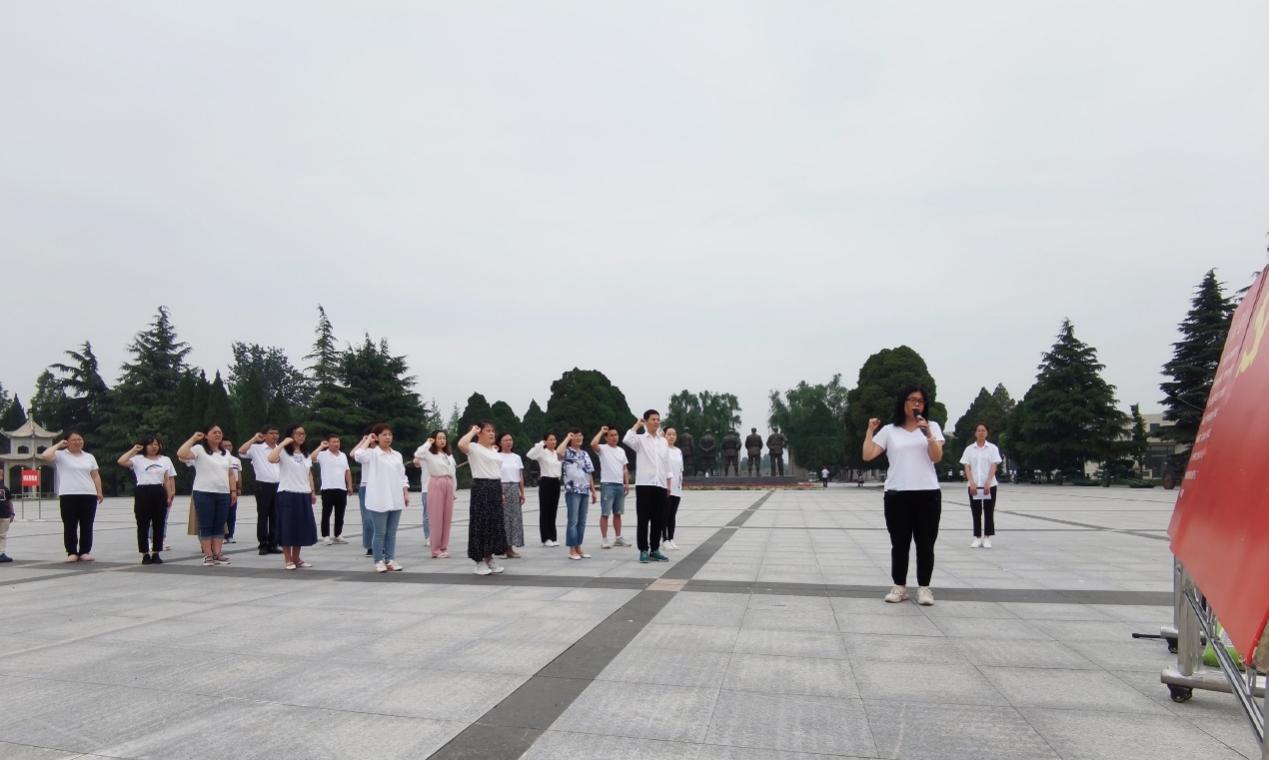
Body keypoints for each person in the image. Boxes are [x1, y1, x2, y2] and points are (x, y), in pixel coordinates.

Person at [863, 386, 945, 606]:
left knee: (925, 544)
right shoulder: (890, 430)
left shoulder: (932, 426)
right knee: (899, 544)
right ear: (903, 402)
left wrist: (928, 435)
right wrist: (870, 430)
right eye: (912, 399)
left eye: (920, 400)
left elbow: (936, 457)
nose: (916, 404)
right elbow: (868, 455)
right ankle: (899, 587)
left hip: (927, 494)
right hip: (897, 494)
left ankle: (924, 588)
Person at [351, 424, 409, 573]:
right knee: (380, 532)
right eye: (384, 434)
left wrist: (405, 492)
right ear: (377, 437)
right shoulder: (372, 454)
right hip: (379, 498)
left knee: (391, 532)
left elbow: (402, 475)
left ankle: (390, 559)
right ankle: (378, 560)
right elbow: (357, 455)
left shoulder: (397, 455)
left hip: (395, 497)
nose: (388, 437)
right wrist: (368, 440)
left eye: (390, 434)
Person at [178, 425, 238, 567]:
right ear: (206, 435)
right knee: (206, 524)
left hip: (223, 493)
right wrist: (193, 439)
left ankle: (217, 553)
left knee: (219, 524)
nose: (218, 435)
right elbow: (181, 453)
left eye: (220, 432)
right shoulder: (199, 449)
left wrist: (233, 491)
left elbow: (230, 474)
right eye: (214, 432)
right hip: (204, 492)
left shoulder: (225, 453)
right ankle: (208, 555)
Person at [41, 432, 104, 562]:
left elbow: (95, 475)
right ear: (67, 442)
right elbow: (45, 455)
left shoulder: (89, 457)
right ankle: (72, 552)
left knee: (87, 524)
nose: (77, 442)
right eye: (74, 440)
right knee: (70, 524)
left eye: (80, 439)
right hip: (68, 494)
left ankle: (85, 551)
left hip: (88, 494)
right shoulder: (60, 455)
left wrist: (99, 491)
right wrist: (58, 444)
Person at [117, 436, 176, 565]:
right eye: (150, 444)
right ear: (144, 446)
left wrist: (169, 495)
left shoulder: (165, 460)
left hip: (159, 490)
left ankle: (156, 552)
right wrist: (134, 450)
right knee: (143, 524)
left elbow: (166, 479)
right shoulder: (138, 459)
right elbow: (121, 461)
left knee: (159, 524)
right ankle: (145, 554)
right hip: (143, 491)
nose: (154, 447)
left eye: (156, 444)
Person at [458, 422, 507, 575]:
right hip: (481, 487)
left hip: (495, 487)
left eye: (493, 430)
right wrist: (473, 431)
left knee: (494, 524)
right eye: (488, 431)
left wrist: (501, 492)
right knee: (481, 524)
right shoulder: (474, 447)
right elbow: (461, 444)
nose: (492, 433)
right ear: (480, 433)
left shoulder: (494, 450)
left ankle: (489, 557)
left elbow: (497, 471)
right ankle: (479, 560)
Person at [268, 425, 320, 570]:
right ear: (291, 435)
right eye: (298, 433)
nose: (301, 436)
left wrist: (312, 491)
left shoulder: (305, 454)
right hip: (287, 493)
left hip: (303, 493)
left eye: (303, 434)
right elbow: (271, 458)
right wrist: (284, 443)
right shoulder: (284, 452)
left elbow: (308, 474)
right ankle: (288, 559)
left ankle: (296, 558)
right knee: (287, 526)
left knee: (301, 526)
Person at [623, 410, 671, 564]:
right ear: (646, 421)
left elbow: (666, 463)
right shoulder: (640, 440)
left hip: (660, 484)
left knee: (658, 519)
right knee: (643, 519)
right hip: (645, 485)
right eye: (653, 419)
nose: (656, 422)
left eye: (658, 419)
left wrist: (668, 483)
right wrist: (637, 425)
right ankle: (643, 549)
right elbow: (626, 439)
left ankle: (654, 549)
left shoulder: (663, 441)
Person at [240, 426, 283, 556]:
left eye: (276, 433)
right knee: (263, 516)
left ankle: (274, 543)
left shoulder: (280, 449)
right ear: (264, 435)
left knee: (276, 516)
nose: (275, 435)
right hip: (263, 486)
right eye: (271, 433)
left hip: (279, 485)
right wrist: (254, 439)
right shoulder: (256, 448)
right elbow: (241, 451)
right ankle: (263, 544)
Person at [960, 423, 1003, 549]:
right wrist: (971, 482)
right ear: (975, 433)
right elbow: (967, 466)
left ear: (987, 433)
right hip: (974, 485)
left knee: (989, 511)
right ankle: (977, 537)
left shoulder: (993, 448)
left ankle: (987, 537)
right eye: (978, 430)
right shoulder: (969, 449)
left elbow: (994, 465)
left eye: (983, 430)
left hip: (989, 485)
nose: (981, 432)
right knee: (976, 511)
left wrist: (988, 482)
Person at [415, 431, 456, 558]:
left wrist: (454, 490)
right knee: (436, 517)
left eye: (444, 438)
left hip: (448, 482)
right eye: (439, 438)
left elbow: (453, 473)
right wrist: (428, 443)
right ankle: (436, 549)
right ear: (434, 439)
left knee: (447, 518)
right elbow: (418, 454)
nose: (442, 440)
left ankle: (443, 547)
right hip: (436, 482)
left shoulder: (448, 455)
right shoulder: (429, 453)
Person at [558, 428, 597, 560]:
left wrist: (593, 491)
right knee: (573, 520)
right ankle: (572, 549)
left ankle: (579, 547)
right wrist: (567, 438)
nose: (579, 438)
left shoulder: (585, 454)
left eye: (580, 435)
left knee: (582, 521)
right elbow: (558, 453)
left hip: (584, 490)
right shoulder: (567, 452)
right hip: (572, 490)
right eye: (575, 436)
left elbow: (589, 473)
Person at [590, 425, 629, 549]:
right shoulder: (603, 449)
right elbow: (593, 444)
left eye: (616, 435)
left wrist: (626, 483)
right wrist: (601, 431)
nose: (614, 437)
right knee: (605, 513)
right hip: (607, 485)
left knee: (618, 513)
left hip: (619, 485)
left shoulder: (621, 450)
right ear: (606, 438)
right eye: (611, 435)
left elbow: (625, 468)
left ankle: (618, 538)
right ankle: (604, 539)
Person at [312, 434, 353, 545]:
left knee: (340, 513)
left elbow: (347, 471)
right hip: (328, 488)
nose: (336, 444)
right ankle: (325, 536)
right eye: (333, 442)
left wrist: (349, 485)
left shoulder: (343, 455)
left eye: (338, 441)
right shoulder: (323, 454)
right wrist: (321, 446)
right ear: (328, 443)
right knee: (326, 513)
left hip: (341, 488)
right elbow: (311, 457)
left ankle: (338, 534)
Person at [526, 433, 562, 547]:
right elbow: (530, 455)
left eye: (554, 439)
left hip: (556, 482)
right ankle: (546, 538)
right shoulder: (542, 452)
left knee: (553, 510)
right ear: (546, 441)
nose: (553, 441)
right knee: (545, 510)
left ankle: (553, 537)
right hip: (546, 481)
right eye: (550, 440)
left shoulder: (557, 453)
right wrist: (540, 444)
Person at [496, 433, 525, 558]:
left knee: (514, 519)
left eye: (510, 439)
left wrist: (522, 492)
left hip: (514, 488)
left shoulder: (516, 457)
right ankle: (502, 548)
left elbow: (520, 476)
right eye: (505, 440)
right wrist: (499, 492)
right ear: (499, 443)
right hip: (502, 487)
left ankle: (510, 548)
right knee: (503, 519)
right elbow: (496, 474)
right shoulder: (497, 456)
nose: (509, 442)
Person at [664, 427, 684, 550]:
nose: (671, 436)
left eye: (674, 434)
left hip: (677, 488)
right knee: (664, 514)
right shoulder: (663, 449)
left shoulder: (678, 451)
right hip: (666, 487)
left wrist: (680, 485)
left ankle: (671, 538)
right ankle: (664, 539)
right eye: (669, 434)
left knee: (672, 515)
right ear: (664, 436)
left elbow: (680, 470)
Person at [221, 441, 243, 544]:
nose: (227, 447)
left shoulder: (236, 460)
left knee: (232, 513)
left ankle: (230, 535)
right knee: (222, 513)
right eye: (225, 446)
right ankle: (222, 535)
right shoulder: (219, 458)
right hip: (222, 487)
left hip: (233, 488)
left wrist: (239, 488)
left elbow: (239, 474)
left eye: (229, 445)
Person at [410, 441, 431, 542]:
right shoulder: (424, 455)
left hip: (440, 488)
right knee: (427, 515)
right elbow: (416, 459)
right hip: (427, 489)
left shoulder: (443, 455)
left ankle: (438, 536)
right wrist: (427, 443)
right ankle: (428, 536)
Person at [0, 479, 14, 563]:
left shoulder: (5, 488)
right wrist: (12, 513)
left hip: (5, 515)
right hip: (5, 515)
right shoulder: (5, 488)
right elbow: (10, 502)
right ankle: (1, 554)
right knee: (2, 536)